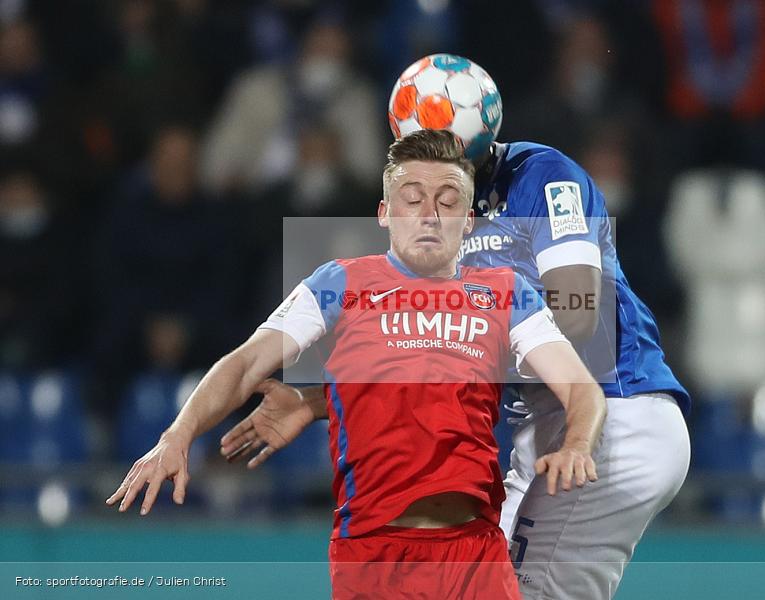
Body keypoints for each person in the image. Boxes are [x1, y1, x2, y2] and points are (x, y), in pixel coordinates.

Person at [224, 54, 691, 599]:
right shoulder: (438, 228)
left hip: (615, 412)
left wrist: (473, 337)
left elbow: (577, 314)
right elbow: (418, 357)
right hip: (539, 431)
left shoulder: (543, 175)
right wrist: (315, 401)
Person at [108, 130, 607, 599]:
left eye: (448, 199)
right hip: (373, 557)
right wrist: (177, 436)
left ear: (469, 219)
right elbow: (245, 363)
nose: (430, 215)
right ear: (384, 213)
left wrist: (577, 445)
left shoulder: (505, 293)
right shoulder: (340, 284)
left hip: (475, 556)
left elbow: (582, 389)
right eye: (412, 198)